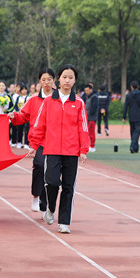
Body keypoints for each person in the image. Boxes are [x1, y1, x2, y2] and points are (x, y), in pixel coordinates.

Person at [27, 64, 89, 234]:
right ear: (59, 79)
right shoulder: (48, 101)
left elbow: (82, 127)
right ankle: (50, 208)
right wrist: (34, 145)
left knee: (68, 187)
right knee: (52, 182)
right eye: (64, 77)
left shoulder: (79, 102)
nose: (67, 80)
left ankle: (64, 222)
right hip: (52, 149)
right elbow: (40, 125)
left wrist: (83, 149)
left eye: (71, 77)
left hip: (71, 151)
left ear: (75, 80)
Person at [9, 68, 55, 213]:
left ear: (54, 80)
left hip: (55, 141)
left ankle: (44, 204)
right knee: (39, 166)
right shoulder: (34, 99)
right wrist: (14, 117)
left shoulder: (59, 98)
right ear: (39, 81)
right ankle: (36, 195)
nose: (46, 82)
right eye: (43, 79)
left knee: (51, 175)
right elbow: (23, 116)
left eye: (49, 79)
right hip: (39, 141)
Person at [123, 80, 140, 154]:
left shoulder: (128, 95)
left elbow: (125, 107)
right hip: (139, 116)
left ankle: (136, 148)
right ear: (138, 86)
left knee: (132, 132)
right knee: (137, 132)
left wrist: (124, 117)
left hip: (131, 116)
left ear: (131, 87)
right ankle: (132, 145)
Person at [83, 84, 98, 153]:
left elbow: (94, 108)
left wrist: (88, 114)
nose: (86, 92)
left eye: (88, 90)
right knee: (85, 133)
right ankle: (87, 145)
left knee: (91, 133)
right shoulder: (85, 96)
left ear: (91, 90)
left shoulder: (94, 97)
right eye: (85, 90)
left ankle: (92, 146)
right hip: (85, 118)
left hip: (91, 118)